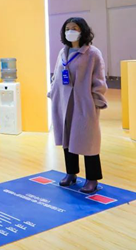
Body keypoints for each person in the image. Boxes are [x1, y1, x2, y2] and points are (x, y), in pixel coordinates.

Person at [49, 17, 107, 194]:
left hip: (83, 103)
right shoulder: (63, 52)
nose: (70, 31)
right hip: (63, 103)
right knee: (68, 139)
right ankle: (71, 173)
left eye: (74, 28)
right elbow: (56, 75)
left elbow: (99, 79)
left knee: (88, 141)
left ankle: (92, 179)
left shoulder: (92, 53)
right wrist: (53, 92)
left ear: (83, 31)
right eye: (67, 28)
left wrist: (97, 100)